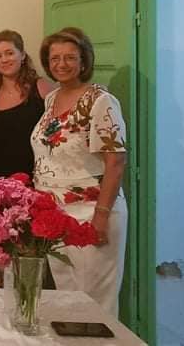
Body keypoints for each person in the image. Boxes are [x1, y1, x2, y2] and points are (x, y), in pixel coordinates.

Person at [31, 27, 128, 316]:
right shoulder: (51, 99)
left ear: (84, 61)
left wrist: (101, 216)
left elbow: (116, 162)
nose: (61, 64)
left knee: (94, 305)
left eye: (70, 57)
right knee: (68, 300)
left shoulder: (100, 101)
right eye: (55, 58)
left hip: (90, 212)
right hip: (56, 215)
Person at [0, 30, 53, 182]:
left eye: (10, 53)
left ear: (23, 55)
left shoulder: (41, 88)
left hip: (34, 178)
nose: (4, 60)